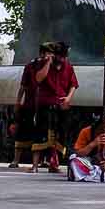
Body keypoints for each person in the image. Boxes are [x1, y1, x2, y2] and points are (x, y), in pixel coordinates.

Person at [31, 41, 78, 173]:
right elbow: (39, 79)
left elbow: (73, 84)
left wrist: (68, 98)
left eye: (65, 57)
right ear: (54, 55)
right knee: (40, 134)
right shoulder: (42, 64)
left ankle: (54, 164)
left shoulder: (68, 66)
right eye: (60, 56)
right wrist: (48, 63)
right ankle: (35, 165)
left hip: (61, 105)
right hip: (45, 103)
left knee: (60, 135)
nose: (63, 59)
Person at [10, 43, 49, 169]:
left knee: (42, 133)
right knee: (22, 132)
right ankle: (16, 160)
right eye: (48, 53)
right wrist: (18, 101)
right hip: (29, 104)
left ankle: (43, 160)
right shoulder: (30, 67)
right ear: (42, 53)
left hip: (44, 105)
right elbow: (23, 86)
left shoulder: (52, 67)